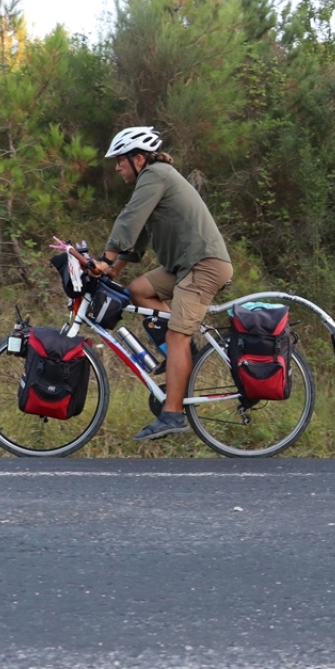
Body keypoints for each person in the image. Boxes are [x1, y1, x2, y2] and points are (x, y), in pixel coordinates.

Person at [89, 126, 234, 441]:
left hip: (203, 265)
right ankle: (186, 359)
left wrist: (103, 257)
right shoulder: (155, 177)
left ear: (138, 159)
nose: (117, 167)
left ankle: (172, 415)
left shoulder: (155, 175)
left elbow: (129, 218)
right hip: (186, 266)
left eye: (120, 160)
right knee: (139, 290)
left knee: (177, 333)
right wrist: (114, 269)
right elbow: (138, 234)